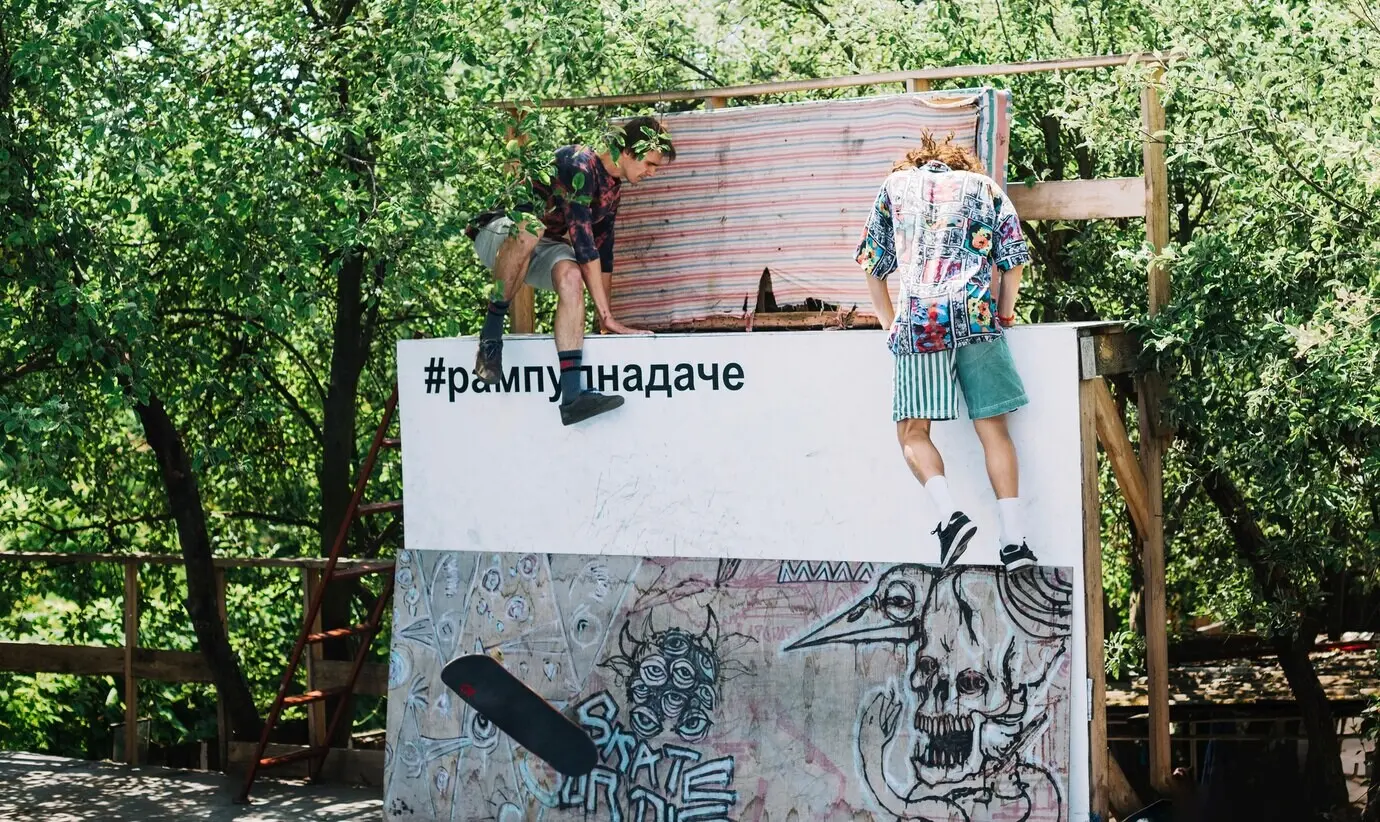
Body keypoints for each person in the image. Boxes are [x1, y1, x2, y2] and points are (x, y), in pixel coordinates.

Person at [855, 131, 1039, 572]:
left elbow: (872, 265)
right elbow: (1013, 260)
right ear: (961, 165)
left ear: (916, 163)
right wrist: (1004, 313)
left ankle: (950, 515)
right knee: (993, 430)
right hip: (977, 318)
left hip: (920, 322)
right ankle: (1014, 542)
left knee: (912, 432)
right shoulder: (985, 188)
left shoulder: (895, 187)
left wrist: (890, 324)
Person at [466, 116, 676, 425]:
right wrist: (607, 317)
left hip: (542, 243)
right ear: (626, 152)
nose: (652, 172)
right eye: (650, 163)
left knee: (572, 275)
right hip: (500, 235)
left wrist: (605, 321)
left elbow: (602, 254)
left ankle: (573, 398)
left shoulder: (613, 189)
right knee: (531, 227)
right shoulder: (579, 162)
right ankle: (490, 339)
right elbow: (583, 244)